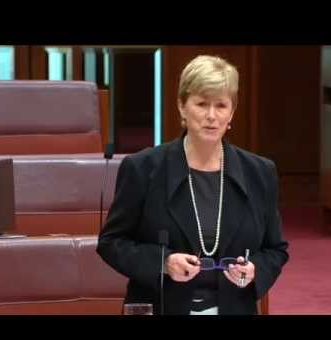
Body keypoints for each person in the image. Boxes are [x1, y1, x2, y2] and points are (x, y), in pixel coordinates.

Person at [97, 55, 289, 315]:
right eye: (201, 104)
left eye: (221, 105)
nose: (211, 116)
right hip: (163, 307)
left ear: (231, 112)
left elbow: (275, 250)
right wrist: (163, 263)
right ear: (182, 107)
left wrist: (254, 269)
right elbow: (112, 243)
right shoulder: (143, 169)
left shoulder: (259, 173)